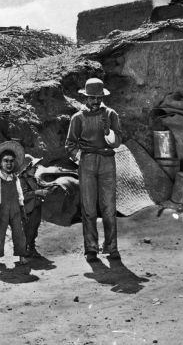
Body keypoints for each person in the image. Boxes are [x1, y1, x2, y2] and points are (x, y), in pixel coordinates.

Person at [65, 78, 122, 262]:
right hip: (87, 162)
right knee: (88, 208)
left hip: (107, 161)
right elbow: (70, 144)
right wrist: (81, 157)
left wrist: (108, 133)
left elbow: (118, 141)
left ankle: (111, 247)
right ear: (85, 98)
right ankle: (91, 248)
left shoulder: (111, 114)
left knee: (109, 207)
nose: (95, 101)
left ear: (102, 97)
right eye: (92, 98)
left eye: (98, 97)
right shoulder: (77, 118)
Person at [0, 141, 29, 267]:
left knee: (19, 233)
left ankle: (22, 256)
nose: (9, 164)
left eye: (11, 161)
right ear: (0, 163)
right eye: (6, 161)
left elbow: (20, 194)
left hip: (16, 210)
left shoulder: (16, 178)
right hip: (2, 210)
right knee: (0, 234)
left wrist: (22, 210)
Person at [19, 154, 49, 258]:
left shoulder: (34, 178)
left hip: (36, 208)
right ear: (26, 168)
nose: (35, 169)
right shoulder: (21, 181)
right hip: (28, 210)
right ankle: (24, 250)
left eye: (36, 167)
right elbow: (23, 195)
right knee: (28, 230)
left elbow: (38, 187)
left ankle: (32, 248)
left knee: (34, 230)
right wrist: (37, 192)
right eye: (33, 167)